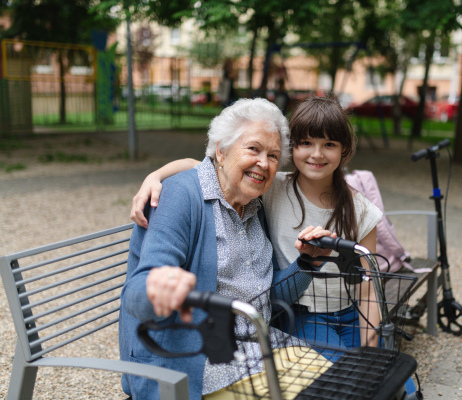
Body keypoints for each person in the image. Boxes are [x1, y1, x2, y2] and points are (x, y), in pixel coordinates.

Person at [119, 98, 336, 400]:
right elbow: (137, 293)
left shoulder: (253, 205)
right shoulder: (181, 197)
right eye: (253, 149)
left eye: (273, 155)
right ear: (220, 150)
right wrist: (158, 287)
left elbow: (264, 296)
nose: (264, 162)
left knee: (339, 385)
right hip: (198, 362)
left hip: (257, 346)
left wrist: (307, 263)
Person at [130, 96, 382, 348]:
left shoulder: (264, 195)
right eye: (306, 143)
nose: (316, 154)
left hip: (328, 317)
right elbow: (206, 166)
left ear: (344, 149)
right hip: (293, 319)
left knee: (392, 379)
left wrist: (373, 352)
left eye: (273, 155)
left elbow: (368, 289)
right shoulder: (269, 187)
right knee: (346, 377)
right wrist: (156, 175)